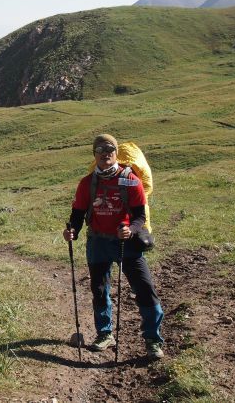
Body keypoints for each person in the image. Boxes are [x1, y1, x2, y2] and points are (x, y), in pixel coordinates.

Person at [63, 134, 164, 360]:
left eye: (110, 149)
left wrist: (132, 229)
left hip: (125, 243)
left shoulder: (131, 180)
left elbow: (139, 215)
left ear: (116, 153)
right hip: (97, 242)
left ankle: (153, 339)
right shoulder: (86, 183)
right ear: (94, 154)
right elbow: (77, 214)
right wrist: (73, 231)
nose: (105, 153)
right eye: (100, 149)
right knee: (99, 290)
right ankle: (105, 334)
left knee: (144, 289)